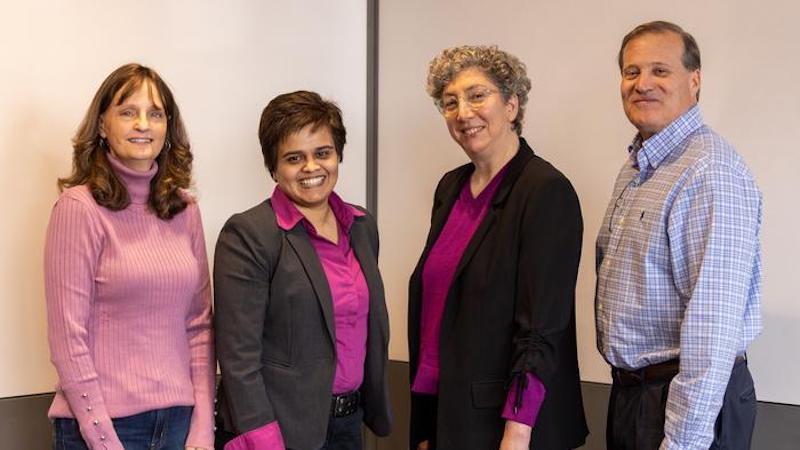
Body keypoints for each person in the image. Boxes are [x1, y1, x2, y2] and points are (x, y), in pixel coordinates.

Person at [408, 45, 588, 450]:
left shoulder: (545, 191)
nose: (463, 112)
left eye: (477, 96)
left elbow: (541, 328)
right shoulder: (450, 187)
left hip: (506, 427)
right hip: (445, 411)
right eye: (450, 102)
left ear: (511, 104)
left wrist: (517, 431)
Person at [595, 21, 763, 450]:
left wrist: (682, 443)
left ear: (695, 80)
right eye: (631, 72)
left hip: (683, 404)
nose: (642, 84)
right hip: (635, 396)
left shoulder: (708, 171)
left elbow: (712, 329)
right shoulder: (638, 168)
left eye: (660, 70)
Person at [44, 63, 215, 450]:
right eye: (128, 112)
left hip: (179, 424)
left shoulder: (184, 209)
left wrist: (203, 425)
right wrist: (103, 438)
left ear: (167, 127)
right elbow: (68, 338)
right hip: (102, 427)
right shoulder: (78, 208)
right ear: (103, 126)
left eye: (155, 114)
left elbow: (199, 325)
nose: (143, 124)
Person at [214, 90, 392, 450]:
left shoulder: (361, 226)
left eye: (323, 153)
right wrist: (263, 440)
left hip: (349, 424)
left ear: (338, 155)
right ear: (273, 167)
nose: (311, 167)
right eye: (294, 158)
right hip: (279, 432)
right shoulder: (249, 234)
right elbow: (238, 357)